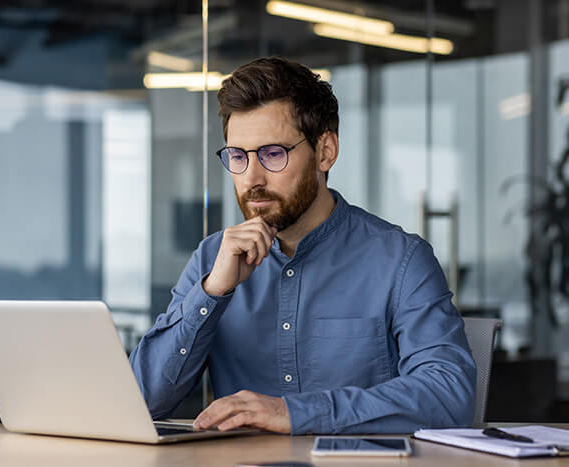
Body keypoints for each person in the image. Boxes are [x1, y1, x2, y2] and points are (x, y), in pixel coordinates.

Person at [129, 57, 476, 435]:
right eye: (238, 157)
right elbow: (140, 401)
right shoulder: (212, 261)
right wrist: (212, 292)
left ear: (325, 151)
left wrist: (295, 412)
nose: (252, 178)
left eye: (273, 154)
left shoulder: (400, 260)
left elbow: (448, 394)